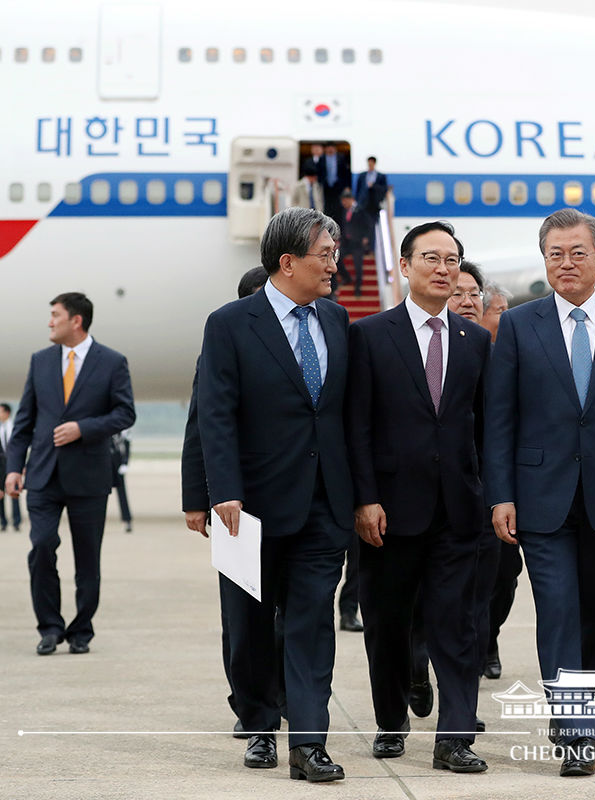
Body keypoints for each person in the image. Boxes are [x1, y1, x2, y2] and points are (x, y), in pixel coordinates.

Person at [483, 208, 595, 778]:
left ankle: (580, 708)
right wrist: (501, 494)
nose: (566, 263)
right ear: (545, 261)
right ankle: (576, 733)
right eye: (555, 254)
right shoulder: (519, 324)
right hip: (542, 499)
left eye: (577, 253)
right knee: (558, 609)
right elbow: (500, 418)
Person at [198, 207, 353, 782]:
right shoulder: (231, 323)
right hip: (252, 507)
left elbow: (344, 415)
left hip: (323, 502)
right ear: (287, 263)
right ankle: (259, 723)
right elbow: (215, 415)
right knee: (250, 627)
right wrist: (224, 492)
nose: (335, 264)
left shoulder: (337, 321)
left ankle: (309, 743)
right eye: (326, 254)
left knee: (312, 623)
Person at [346, 221, 491, 773]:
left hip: (458, 509)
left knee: (458, 625)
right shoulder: (371, 335)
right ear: (405, 267)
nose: (443, 267)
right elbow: (356, 425)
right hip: (387, 511)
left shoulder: (475, 340)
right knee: (386, 623)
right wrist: (364, 498)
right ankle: (390, 721)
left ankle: (455, 738)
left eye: (452, 259)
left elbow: (485, 428)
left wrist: (488, 495)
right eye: (430, 257)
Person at [4, 292, 135, 656]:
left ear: (76, 320)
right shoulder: (41, 361)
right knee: (42, 546)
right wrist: (13, 468)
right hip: (43, 475)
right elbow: (25, 423)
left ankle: (81, 630)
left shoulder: (111, 362)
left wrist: (84, 428)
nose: (49, 322)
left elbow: (125, 414)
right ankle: (49, 626)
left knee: (87, 559)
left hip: (89, 476)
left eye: (55, 315)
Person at [181, 266, 278, 741]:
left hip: (294, 497)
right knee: (242, 618)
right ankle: (248, 702)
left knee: (289, 617)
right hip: (236, 505)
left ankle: (278, 700)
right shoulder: (221, 350)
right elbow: (199, 427)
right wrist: (197, 499)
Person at [477, 279, 521, 680]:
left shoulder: (509, 357)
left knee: (506, 573)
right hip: (456, 484)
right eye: (501, 311)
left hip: (500, 486)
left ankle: (488, 638)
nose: (507, 319)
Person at [336, 189, 370, 298]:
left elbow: (368, 224)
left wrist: (366, 237)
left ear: (350, 200)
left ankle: (358, 288)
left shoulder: (360, 210)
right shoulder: (344, 211)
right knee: (337, 257)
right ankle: (347, 277)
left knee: (358, 266)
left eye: (345, 201)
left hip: (358, 242)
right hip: (346, 242)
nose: (343, 204)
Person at [354, 156, 388, 247]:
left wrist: (373, 186)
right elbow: (358, 189)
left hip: (374, 205)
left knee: (372, 226)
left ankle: (372, 246)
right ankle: (363, 247)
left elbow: (384, 189)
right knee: (362, 226)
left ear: (374, 164)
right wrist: (357, 201)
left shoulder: (380, 176)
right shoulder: (362, 175)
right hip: (363, 204)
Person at [0, 402, 21, 531]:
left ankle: (16, 522)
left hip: (13, 465)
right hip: (0, 466)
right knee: (1, 495)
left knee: (14, 494)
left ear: (7, 413)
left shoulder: (15, 426)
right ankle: (3, 521)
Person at [110, 429, 132, 532]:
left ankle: (127, 520)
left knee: (122, 492)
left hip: (117, 460)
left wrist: (125, 462)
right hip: (103, 459)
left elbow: (127, 444)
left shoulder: (124, 427)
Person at [321, 142, 350, 220]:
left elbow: (346, 173)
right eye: (328, 148)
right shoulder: (322, 158)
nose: (330, 149)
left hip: (338, 186)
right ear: (325, 149)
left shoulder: (341, 157)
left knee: (338, 207)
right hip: (326, 187)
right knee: (327, 207)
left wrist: (347, 186)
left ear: (335, 149)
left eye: (332, 147)